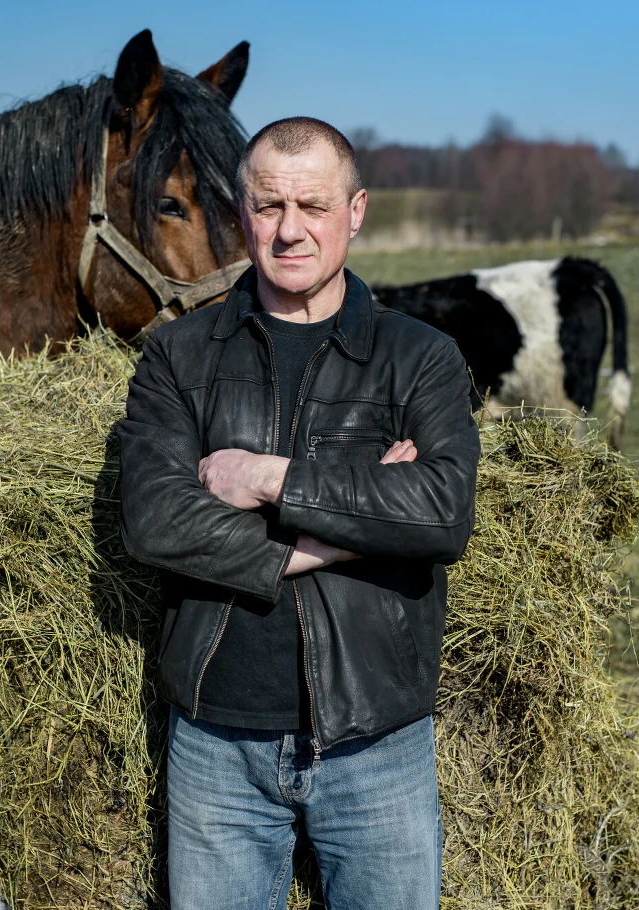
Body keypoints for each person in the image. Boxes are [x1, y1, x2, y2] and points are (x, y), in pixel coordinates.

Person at [117, 116, 480, 909]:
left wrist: (269, 476)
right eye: (268, 206)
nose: (289, 231)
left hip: (378, 742)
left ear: (355, 212)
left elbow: (442, 512)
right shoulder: (179, 357)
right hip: (217, 745)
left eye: (313, 207)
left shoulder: (418, 358)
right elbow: (153, 519)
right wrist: (339, 539)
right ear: (239, 212)